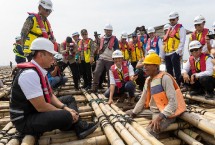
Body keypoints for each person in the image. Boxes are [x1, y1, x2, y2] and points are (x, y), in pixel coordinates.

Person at [10, 38, 98, 139]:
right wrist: (66, 112)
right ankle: (77, 125)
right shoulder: (29, 74)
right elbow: (41, 106)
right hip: (25, 120)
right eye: (51, 55)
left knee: (69, 100)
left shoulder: (40, 70)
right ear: (40, 55)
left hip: (34, 110)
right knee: (66, 115)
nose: (53, 58)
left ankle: (77, 125)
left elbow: (50, 95)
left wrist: (65, 107)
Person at [126, 52, 186, 138]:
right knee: (127, 113)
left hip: (167, 113)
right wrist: (133, 113)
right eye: (144, 65)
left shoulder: (165, 78)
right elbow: (142, 100)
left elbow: (173, 103)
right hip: (153, 110)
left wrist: (159, 118)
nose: (144, 67)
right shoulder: (148, 80)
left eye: (148, 65)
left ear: (156, 66)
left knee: (150, 131)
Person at [91, 24, 119, 92]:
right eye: (107, 30)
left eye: (110, 31)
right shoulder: (101, 39)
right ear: (104, 30)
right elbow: (97, 48)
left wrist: (116, 61)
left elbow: (116, 50)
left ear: (111, 31)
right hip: (101, 58)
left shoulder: (115, 39)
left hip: (110, 59)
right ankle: (94, 88)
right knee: (96, 72)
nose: (108, 32)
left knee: (110, 75)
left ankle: (110, 89)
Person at [163, 11, 186, 85]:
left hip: (174, 52)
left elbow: (182, 41)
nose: (172, 21)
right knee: (169, 71)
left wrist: (178, 52)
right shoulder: (170, 29)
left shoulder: (181, 28)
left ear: (177, 19)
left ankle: (178, 85)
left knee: (177, 70)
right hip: (168, 53)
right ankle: (171, 85)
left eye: (173, 19)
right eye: (170, 20)